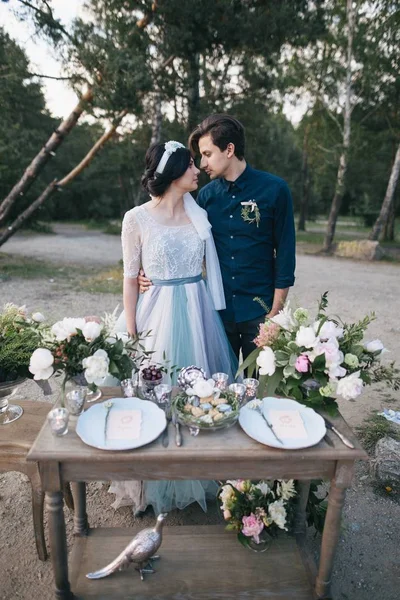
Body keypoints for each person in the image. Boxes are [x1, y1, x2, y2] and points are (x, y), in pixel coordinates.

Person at [110, 140, 237, 515]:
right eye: (191, 167)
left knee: (198, 393)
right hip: (156, 311)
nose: (198, 171)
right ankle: (153, 478)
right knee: (154, 393)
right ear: (172, 174)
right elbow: (130, 277)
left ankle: (197, 469)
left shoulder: (199, 213)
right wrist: (131, 327)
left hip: (197, 311)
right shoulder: (136, 218)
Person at [140, 114, 296, 362]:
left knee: (259, 390)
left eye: (207, 154)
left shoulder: (275, 190)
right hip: (215, 313)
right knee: (217, 389)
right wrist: (146, 274)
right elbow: (181, 243)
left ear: (230, 149)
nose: (202, 164)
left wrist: (275, 312)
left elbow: (286, 255)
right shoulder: (205, 197)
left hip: (261, 310)